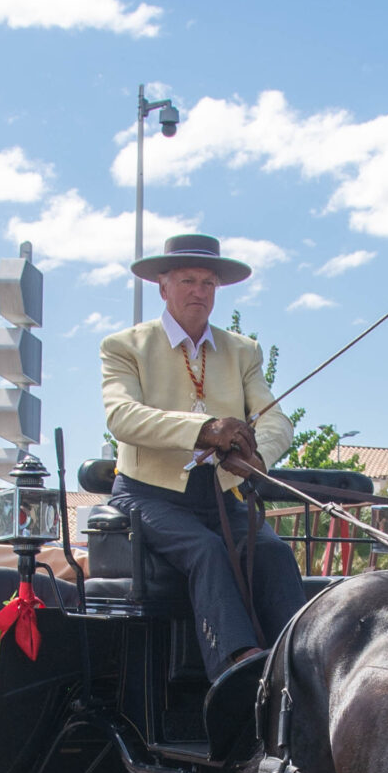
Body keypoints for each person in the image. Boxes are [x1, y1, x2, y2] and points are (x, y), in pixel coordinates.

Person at [100, 232, 302, 681]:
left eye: (208, 283)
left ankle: (301, 662)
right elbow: (122, 417)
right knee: (206, 549)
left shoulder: (243, 351)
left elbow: (276, 420)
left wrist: (258, 457)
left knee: (273, 552)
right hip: (147, 496)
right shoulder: (124, 346)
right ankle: (237, 670)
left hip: (220, 496)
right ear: (163, 287)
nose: (199, 291)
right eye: (188, 281)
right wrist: (204, 429)